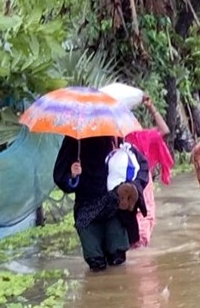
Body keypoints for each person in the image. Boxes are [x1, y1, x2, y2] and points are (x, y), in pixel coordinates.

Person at [53, 136, 149, 271]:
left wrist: (133, 187)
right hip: (87, 209)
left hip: (113, 205)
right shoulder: (75, 138)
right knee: (95, 261)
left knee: (117, 257)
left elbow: (141, 165)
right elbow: (60, 175)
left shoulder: (113, 133)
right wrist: (73, 176)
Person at [123, 95, 173, 248]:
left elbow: (164, 130)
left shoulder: (142, 136)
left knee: (143, 217)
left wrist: (151, 107)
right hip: (124, 185)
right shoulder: (115, 139)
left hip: (142, 183)